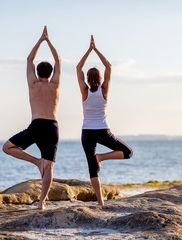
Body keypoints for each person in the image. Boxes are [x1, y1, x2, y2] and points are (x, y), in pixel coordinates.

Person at [2, 26, 61, 210]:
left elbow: (29, 59)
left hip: (36, 126)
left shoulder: (33, 84)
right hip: (52, 126)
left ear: (37, 72)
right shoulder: (55, 85)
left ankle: (36, 162)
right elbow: (58, 60)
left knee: (7, 147)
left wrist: (40, 40)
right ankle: (42, 203)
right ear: (50, 73)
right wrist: (49, 41)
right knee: (49, 167)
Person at [76, 35, 133, 206]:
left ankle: (100, 202)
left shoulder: (84, 91)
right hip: (102, 131)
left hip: (87, 132)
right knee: (128, 152)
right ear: (100, 78)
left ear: (87, 79)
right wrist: (96, 49)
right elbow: (108, 65)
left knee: (92, 169)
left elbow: (78, 67)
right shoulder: (104, 90)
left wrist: (88, 50)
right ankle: (101, 157)